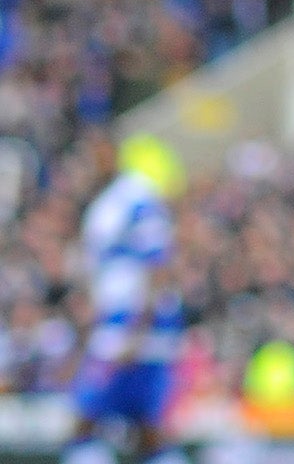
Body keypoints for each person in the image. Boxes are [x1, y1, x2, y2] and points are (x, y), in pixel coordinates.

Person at [63, 135, 187, 464]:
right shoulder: (108, 202)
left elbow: (157, 267)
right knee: (145, 428)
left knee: (88, 418)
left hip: (133, 324)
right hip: (118, 321)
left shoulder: (138, 198)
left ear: (112, 153)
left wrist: (138, 329)